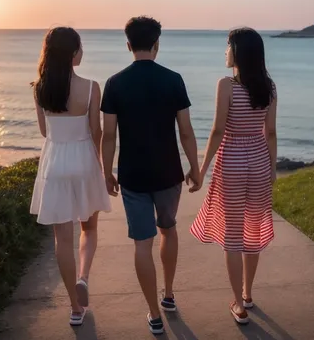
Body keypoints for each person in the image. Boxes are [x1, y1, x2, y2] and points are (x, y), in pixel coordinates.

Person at [101, 16, 201, 335]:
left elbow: (108, 135)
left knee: (142, 243)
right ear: (157, 44)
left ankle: (154, 314)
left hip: (132, 174)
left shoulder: (115, 83)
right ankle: (168, 294)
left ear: (128, 45)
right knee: (168, 231)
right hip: (169, 173)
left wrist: (107, 172)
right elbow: (185, 131)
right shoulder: (174, 80)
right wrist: (194, 166)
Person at [190, 27, 277, 325]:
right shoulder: (269, 87)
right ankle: (248, 294)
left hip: (232, 162)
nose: (225, 52)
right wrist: (273, 169)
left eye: (228, 46)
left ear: (238, 52)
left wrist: (201, 170)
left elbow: (217, 131)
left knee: (232, 235)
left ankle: (238, 305)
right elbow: (271, 132)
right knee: (252, 229)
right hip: (258, 162)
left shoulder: (226, 85)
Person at [30, 27, 112, 327]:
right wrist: (105, 169)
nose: (83, 52)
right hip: (83, 160)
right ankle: (84, 277)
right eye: (81, 47)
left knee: (61, 239)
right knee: (88, 229)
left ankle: (75, 308)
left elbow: (43, 132)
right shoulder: (91, 87)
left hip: (55, 161)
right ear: (73, 52)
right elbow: (97, 132)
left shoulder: (39, 88)